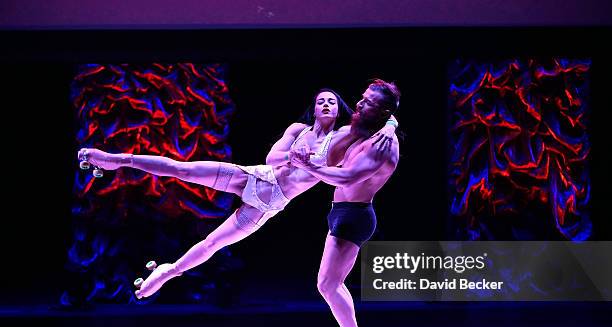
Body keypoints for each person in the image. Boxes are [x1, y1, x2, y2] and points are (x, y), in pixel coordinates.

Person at [77, 88, 399, 299]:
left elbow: (382, 115)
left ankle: (167, 273)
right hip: (255, 177)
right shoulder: (297, 131)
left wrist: (391, 127)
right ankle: (115, 159)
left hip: (269, 205)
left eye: (332, 101)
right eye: (320, 101)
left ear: (338, 109)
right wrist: (295, 156)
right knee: (182, 169)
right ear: (313, 109)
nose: (326, 104)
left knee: (212, 243)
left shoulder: (344, 135)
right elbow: (272, 159)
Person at [291, 79, 401, 327]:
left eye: (369, 101)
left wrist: (308, 166)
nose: (361, 103)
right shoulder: (370, 129)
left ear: (383, 110)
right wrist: (392, 122)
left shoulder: (383, 143)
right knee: (329, 284)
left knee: (328, 285)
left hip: (355, 216)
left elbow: (349, 177)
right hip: (341, 214)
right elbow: (387, 117)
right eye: (362, 98)